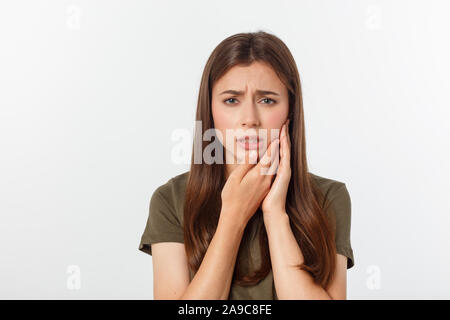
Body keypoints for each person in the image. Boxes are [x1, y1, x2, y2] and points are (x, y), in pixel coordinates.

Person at [139, 31, 354, 300]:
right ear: (210, 110)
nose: (249, 119)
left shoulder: (328, 198)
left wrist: (275, 214)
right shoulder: (170, 200)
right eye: (231, 100)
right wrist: (234, 215)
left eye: (267, 100)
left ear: (291, 108)